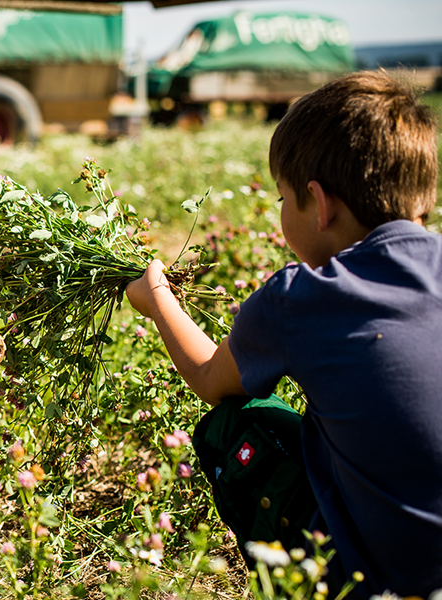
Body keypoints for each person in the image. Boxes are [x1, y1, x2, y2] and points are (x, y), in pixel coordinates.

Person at [126, 70, 442, 597]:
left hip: (387, 579)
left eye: (280, 199)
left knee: (239, 421)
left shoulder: (300, 298)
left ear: (319, 204)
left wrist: (158, 301)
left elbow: (210, 379)